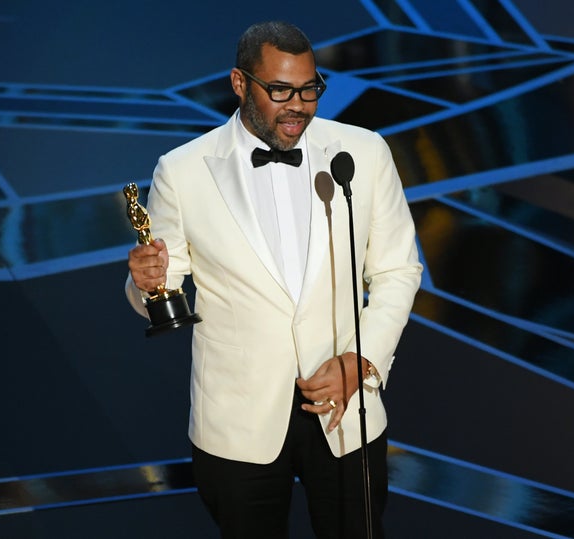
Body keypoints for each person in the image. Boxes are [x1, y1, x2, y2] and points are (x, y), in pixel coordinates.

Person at [126, 20, 422, 539]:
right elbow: (162, 287)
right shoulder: (183, 170)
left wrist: (362, 361)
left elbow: (398, 270)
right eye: (281, 90)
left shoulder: (364, 152)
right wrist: (146, 283)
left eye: (310, 89)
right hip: (238, 420)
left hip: (344, 405)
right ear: (240, 84)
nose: (299, 106)